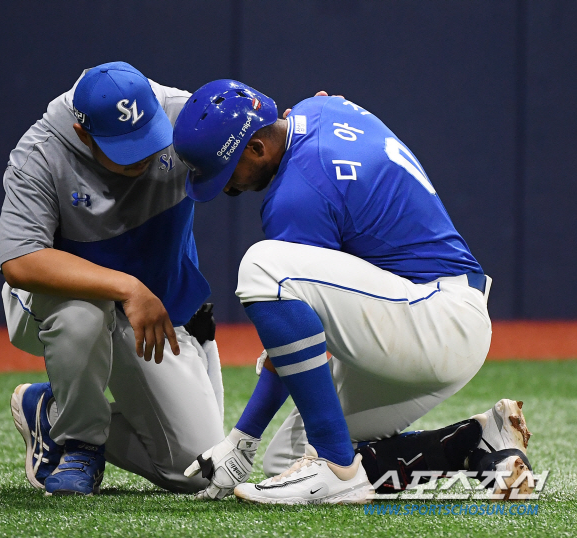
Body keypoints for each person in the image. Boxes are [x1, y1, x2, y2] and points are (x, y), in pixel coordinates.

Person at [172, 80, 534, 504]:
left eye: (225, 169)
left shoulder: (294, 198)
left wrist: (243, 437)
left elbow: (291, 319)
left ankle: (336, 465)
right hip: (423, 310)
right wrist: (247, 441)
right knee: (286, 460)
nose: (225, 187)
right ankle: (474, 442)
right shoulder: (319, 110)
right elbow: (298, 333)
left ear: (256, 148)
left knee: (262, 267)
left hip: (434, 320)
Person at [0, 62, 225, 496]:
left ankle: (47, 410)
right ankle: (77, 442)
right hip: (62, 303)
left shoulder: (184, 115)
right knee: (83, 314)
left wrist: (307, 121)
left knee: (200, 472)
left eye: (147, 139)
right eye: (126, 149)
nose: (142, 155)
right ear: (85, 135)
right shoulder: (41, 153)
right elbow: (22, 261)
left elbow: (257, 135)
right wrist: (127, 287)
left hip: (153, 311)